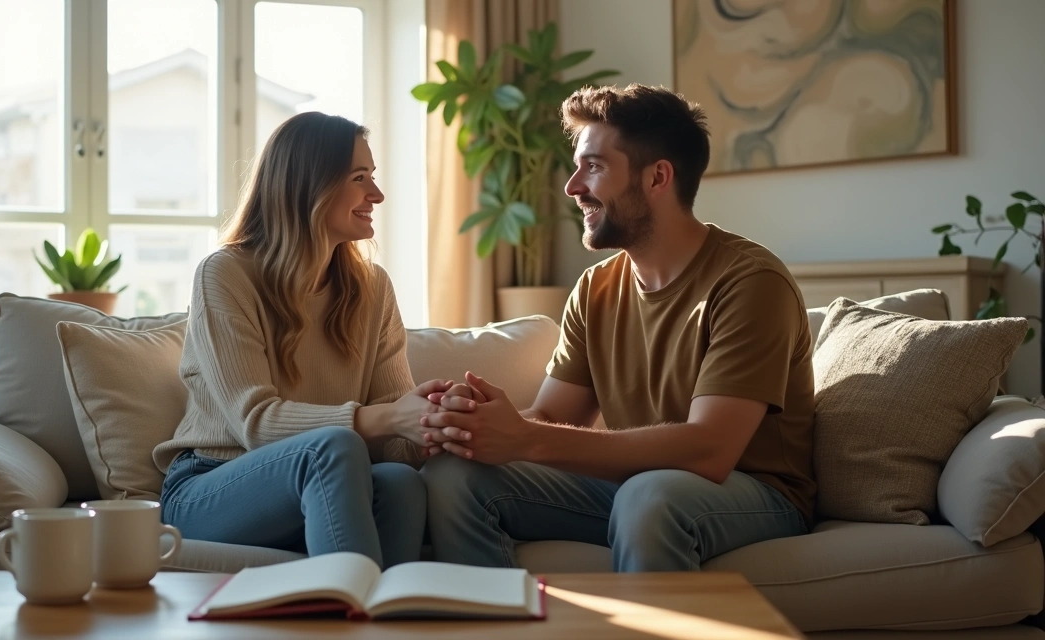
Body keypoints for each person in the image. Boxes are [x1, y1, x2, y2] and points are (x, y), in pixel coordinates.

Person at [419, 84, 816, 572]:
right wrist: (477, 430)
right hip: (638, 485)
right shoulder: (596, 289)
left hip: (755, 493)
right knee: (454, 475)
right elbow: (549, 414)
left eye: (595, 166)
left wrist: (525, 438)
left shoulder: (750, 282)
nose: (572, 186)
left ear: (657, 178)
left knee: (651, 498)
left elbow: (711, 449)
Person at [153, 112, 447, 569]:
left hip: (328, 480)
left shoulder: (372, 288)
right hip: (210, 486)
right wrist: (387, 417)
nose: (377, 194)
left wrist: (431, 425)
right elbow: (254, 422)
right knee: (334, 446)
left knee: (399, 483)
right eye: (359, 178)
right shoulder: (225, 274)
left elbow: (393, 441)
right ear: (311, 186)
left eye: (374, 177)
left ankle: (387, 617)